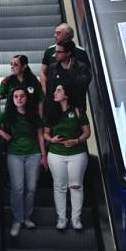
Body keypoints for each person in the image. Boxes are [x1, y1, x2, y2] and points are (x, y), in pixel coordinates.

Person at [0, 88, 47, 236]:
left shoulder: (34, 115)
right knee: (17, 188)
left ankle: (27, 218)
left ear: (26, 98)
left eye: (22, 96)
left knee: (31, 188)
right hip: (15, 155)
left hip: (34, 154)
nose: (19, 99)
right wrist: (4, 134)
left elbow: (40, 137)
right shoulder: (8, 114)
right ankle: (17, 220)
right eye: (16, 96)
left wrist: (43, 155)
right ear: (12, 99)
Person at [42, 83, 90, 231]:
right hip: (56, 154)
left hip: (77, 153)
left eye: (58, 90)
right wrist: (51, 140)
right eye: (55, 90)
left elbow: (87, 132)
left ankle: (76, 219)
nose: (55, 93)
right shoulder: (51, 112)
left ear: (66, 94)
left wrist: (76, 140)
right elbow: (45, 133)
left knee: (76, 186)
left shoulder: (78, 111)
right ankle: (62, 219)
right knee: (59, 187)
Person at [39, 23, 90, 91]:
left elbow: (88, 74)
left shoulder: (81, 52)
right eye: (55, 33)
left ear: (67, 35)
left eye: (58, 33)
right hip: (54, 92)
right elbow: (42, 72)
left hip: (74, 92)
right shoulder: (49, 50)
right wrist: (45, 90)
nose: (54, 36)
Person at [44, 40, 92, 110]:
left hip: (75, 107)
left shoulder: (81, 67)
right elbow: (50, 89)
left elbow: (83, 85)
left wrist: (71, 71)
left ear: (68, 53)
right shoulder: (53, 67)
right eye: (55, 51)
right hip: (55, 109)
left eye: (59, 52)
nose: (55, 55)